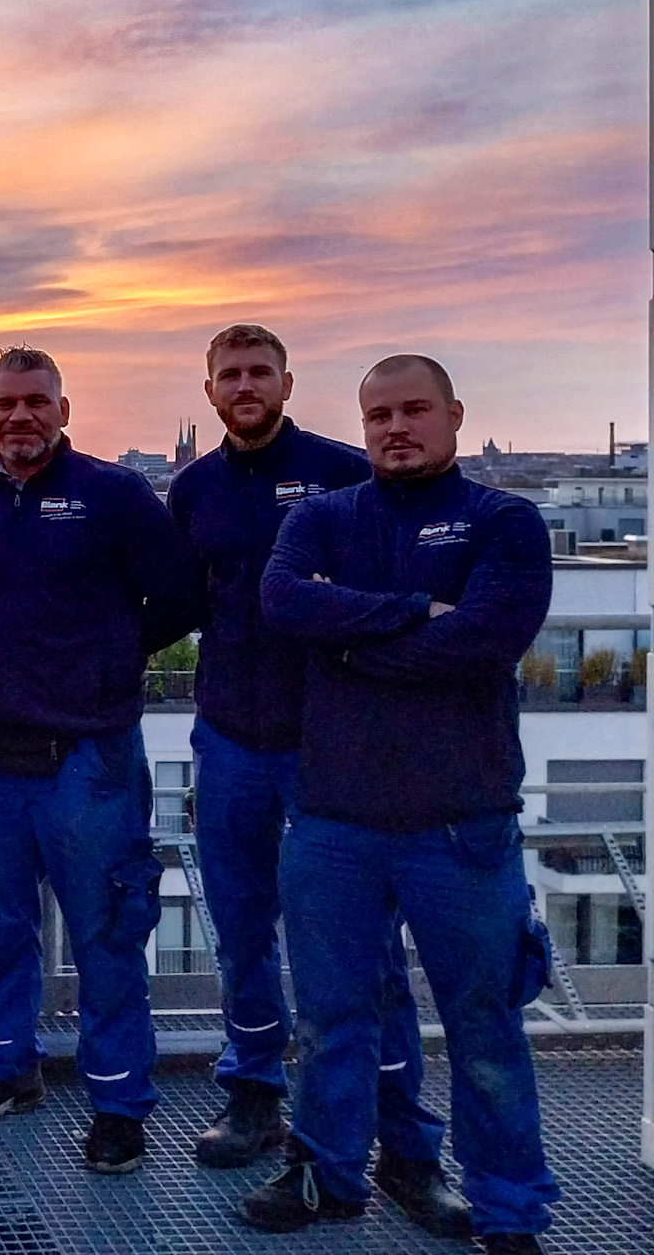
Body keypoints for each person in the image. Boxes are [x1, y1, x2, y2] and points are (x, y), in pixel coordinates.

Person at [246, 355, 556, 1255]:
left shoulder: (504, 521)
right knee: (330, 1017)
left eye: (414, 409)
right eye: (378, 415)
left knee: (484, 1030)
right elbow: (282, 602)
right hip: (335, 820)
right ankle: (328, 1173)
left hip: (461, 825)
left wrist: (347, 641)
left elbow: (485, 639)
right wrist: (421, 609)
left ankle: (508, 1212)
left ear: (455, 415)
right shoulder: (321, 517)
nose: (395, 428)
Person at [167, 325, 455, 1228]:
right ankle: (254, 1093)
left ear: (287, 383)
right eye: (230, 375)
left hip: (332, 748)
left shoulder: (341, 476)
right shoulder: (194, 489)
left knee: (366, 950)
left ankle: (405, 1142)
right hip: (229, 739)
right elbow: (176, 603)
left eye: (260, 372)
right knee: (241, 929)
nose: (245, 386)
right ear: (210, 391)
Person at [0, 346, 203, 1175]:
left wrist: (112, 656)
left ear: (64, 410)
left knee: (106, 932)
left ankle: (119, 1103)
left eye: (36, 401)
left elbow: (182, 592)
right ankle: (2, 1068)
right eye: (6, 403)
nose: (20, 416)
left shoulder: (113, 494)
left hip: (89, 756)